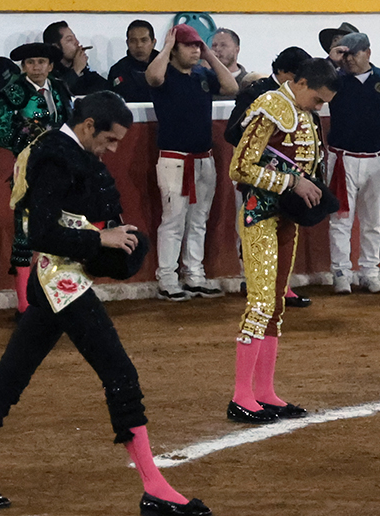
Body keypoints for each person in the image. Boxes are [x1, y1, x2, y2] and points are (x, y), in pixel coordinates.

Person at [0, 91, 210, 516]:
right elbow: (41, 232)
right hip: (59, 278)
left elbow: (91, 213)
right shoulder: (53, 156)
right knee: (118, 371)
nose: (114, 148)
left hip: (65, 277)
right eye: (112, 139)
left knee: (12, 374)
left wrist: (121, 232)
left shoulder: (74, 151)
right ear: (88, 127)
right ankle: (154, 486)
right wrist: (101, 239)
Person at [227, 59, 339, 424]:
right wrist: (292, 183)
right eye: (318, 99)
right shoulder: (273, 107)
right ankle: (241, 396)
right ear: (301, 82)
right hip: (260, 215)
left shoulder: (302, 112)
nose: (319, 106)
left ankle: (265, 392)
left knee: (275, 303)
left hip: (284, 219)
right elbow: (239, 167)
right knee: (260, 303)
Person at [146, 24, 239, 301]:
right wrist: (165, 48)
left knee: (199, 219)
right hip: (174, 159)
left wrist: (210, 55)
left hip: (203, 158)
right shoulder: (164, 74)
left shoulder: (202, 74)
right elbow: (152, 76)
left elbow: (232, 86)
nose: (196, 50)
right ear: (175, 49)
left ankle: (194, 274)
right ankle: (167, 277)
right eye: (190, 45)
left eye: (198, 45)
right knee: (174, 219)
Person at [224, 45, 317, 310]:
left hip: (290, 177)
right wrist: (264, 153)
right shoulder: (258, 93)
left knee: (286, 228)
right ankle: (255, 283)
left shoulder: (293, 97)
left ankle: (280, 286)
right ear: (284, 72)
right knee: (258, 225)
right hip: (258, 175)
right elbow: (232, 132)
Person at [0, 42, 74, 314]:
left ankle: (59, 299)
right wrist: (26, 140)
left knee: (62, 229)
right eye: (31, 62)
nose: (36, 67)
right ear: (24, 67)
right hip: (29, 170)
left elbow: (71, 121)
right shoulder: (12, 93)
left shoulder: (59, 88)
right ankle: (25, 306)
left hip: (61, 168)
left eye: (41, 62)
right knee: (25, 234)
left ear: (50, 65)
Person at [325, 31, 380, 294]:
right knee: (341, 220)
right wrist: (330, 61)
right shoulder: (334, 80)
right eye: (345, 54)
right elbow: (311, 83)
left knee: (372, 220)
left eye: (354, 53)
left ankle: (369, 271)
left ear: (368, 53)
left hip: (376, 159)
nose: (349, 59)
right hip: (343, 159)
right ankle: (341, 272)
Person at [43, 20, 111, 95]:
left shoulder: (83, 70)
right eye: (69, 40)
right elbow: (57, 94)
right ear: (56, 47)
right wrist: (76, 70)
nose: (77, 42)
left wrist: (82, 68)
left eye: (75, 38)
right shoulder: (46, 71)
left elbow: (106, 88)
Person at [108, 19, 158, 103]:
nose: (139, 45)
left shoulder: (167, 67)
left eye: (144, 40)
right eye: (133, 41)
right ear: (127, 43)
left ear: (153, 43)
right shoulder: (117, 70)